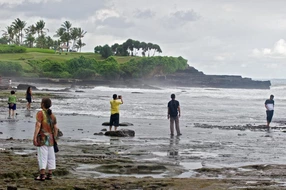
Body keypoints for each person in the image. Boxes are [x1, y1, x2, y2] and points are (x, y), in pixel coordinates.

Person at [33, 98, 58, 181]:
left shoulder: (40, 113)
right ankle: (50, 174)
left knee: (42, 156)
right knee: (51, 156)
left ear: (43, 104)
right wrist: (54, 137)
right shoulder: (52, 115)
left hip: (42, 138)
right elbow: (56, 128)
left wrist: (35, 137)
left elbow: (38, 125)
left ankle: (42, 175)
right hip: (51, 139)